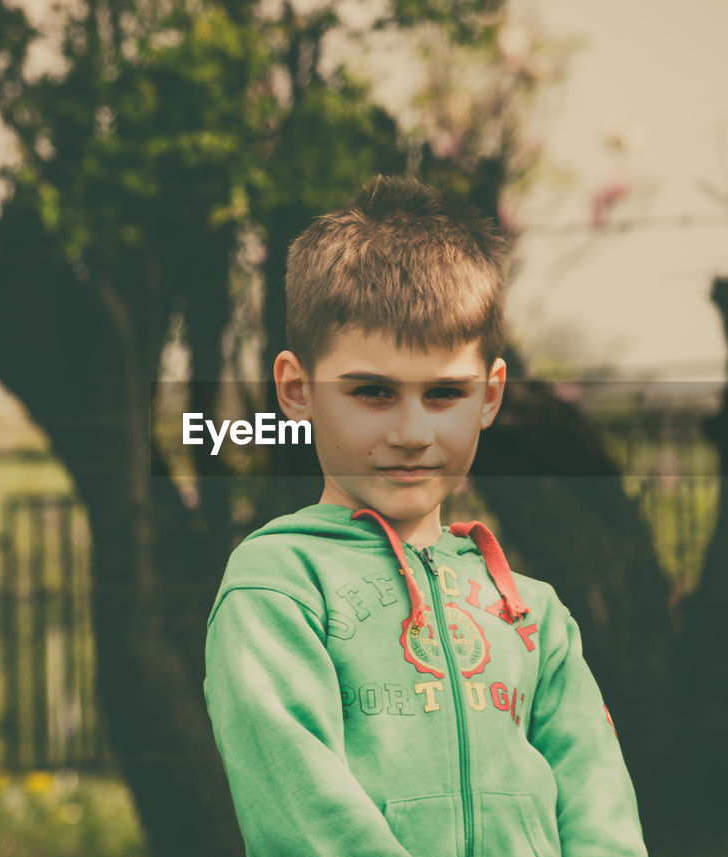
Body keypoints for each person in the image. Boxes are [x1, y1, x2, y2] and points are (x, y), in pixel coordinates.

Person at [203, 175, 648, 857]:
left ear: (491, 395)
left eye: (444, 393)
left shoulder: (535, 617)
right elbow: (304, 816)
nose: (412, 430)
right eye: (373, 391)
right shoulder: (276, 587)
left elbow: (601, 811)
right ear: (297, 389)